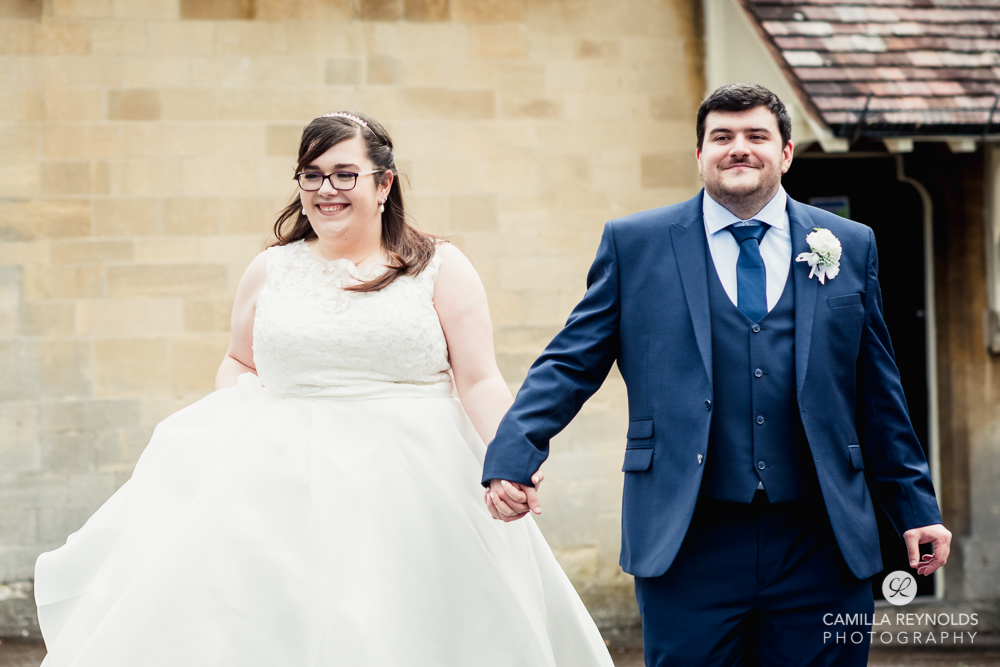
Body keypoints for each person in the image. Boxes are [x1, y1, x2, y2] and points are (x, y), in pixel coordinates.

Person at [34, 111, 615, 667]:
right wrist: (238, 429)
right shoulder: (270, 268)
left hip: (416, 485)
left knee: (410, 625)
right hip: (283, 488)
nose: (325, 189)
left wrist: (513, 455)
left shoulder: (439, 265)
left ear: (384, 182)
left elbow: (480, 379)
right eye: (311, 175)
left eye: (344, 174)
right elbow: (238, 363)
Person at [482, 84, 952, 666]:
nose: (739, 149)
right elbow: (570, 361)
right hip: (688, 536)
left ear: (785, 153)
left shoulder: (849, 245)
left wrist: (915, 508)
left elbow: (878, 390)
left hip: (822, 535)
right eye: (721, 137)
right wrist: (513, 454)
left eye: (757, 136)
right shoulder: (636, 244)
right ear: (699, 154)